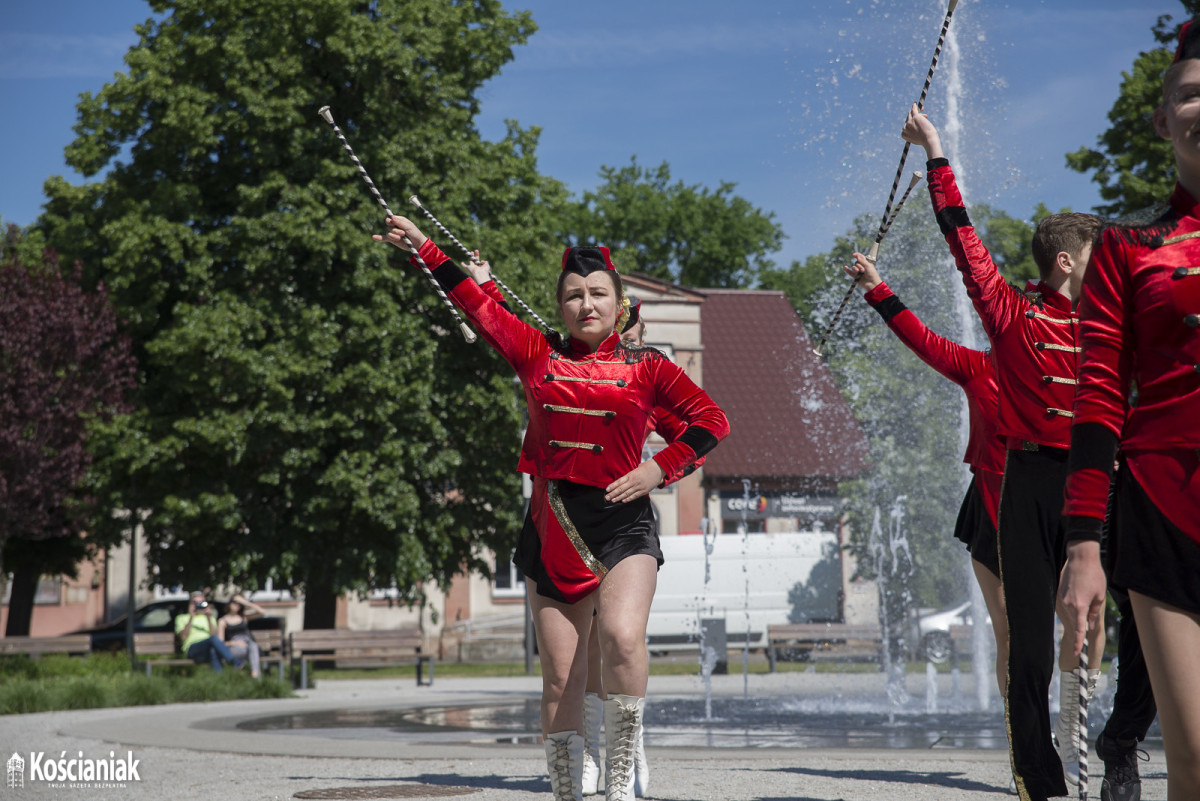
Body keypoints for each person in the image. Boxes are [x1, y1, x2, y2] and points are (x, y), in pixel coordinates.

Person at [375, 219, 730, 801]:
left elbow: (711, 422)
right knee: (561, 676)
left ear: (619, 304)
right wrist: (423, 247)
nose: (585, 302)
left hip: (624, 523)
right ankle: (568, 788)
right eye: (573, 294)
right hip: (553, 526)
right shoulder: (534, 354)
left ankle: (620, 775)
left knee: (619, 635)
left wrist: (656, 469)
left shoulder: (650, 366)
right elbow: (477, 307)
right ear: (560, 306)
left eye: (597, 292)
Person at [902, 105, 1104, 801]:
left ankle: (1111, 743)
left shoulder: (1116, 326)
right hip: (1027, 483)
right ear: (1069, 262)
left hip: (1098, 477)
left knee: (1113, 615)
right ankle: (1037, 776)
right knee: (1027, 645)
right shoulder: (1011, 313)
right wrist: (934, 149)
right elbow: (961, 236)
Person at [1061, 19, 1200, 800]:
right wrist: (1084, 546)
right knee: (1195, 762)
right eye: (1188, 93)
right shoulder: (1124, 246)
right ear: (1162, 119)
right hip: (1166, 512)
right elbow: (1098, 398)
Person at [841, 253, 1009, 694]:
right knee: (1011, 626)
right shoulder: (981, 368)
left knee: (1082, 619)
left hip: (1059, 500)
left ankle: (1086, 729)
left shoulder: (1071, 361)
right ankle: (1028, 742)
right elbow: (924, 339)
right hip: (994, 501)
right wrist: (876, 287)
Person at [174, 590, 242, 673]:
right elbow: (183, 637)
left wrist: (209, 618)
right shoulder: (181, 618)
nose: (198, 605)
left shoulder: (210, 618)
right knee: (212, 639)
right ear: (190, 604)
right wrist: (191, 617)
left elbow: (215, 636)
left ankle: (219, 681)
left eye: (201, 602)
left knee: (213, 650)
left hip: (207, 650)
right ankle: (233, 661)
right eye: (195, 602)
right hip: (192, 649)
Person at [218, 593, 267, 678]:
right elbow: (220, 642)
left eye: (239, 604)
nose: (237, 605)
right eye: (234, 602)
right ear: (229, 603)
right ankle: (255, 676)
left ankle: (254, 674)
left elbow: (263, 612)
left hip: (247, 644)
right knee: (253, 648)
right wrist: (234, 643)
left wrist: (246, 603)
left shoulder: (244, 617)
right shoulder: (223, 621)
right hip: (234, 647)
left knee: (253, 645)